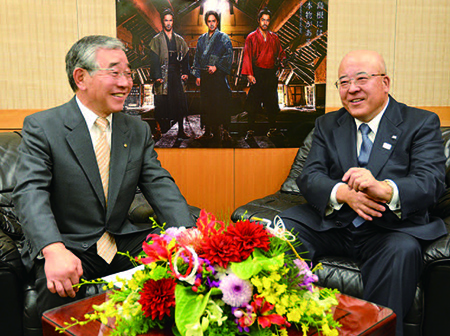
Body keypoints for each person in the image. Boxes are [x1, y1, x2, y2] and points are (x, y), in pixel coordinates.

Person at [12, 35, 194, 321]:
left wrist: (185, 231)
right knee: (56, 295)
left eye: (128, 73)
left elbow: (158, 183)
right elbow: (29, 192)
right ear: (81, 77)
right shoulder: (43, 127)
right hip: (68, 243)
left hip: (119, 239)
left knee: (185, 263)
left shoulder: (136, 130)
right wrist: (52, 249)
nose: (125, 82)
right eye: (114, 72)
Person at [279, 50, 447, 336]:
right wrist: (343, 193)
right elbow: (310, 177)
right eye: (343, 82)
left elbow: (431, 182)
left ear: (385, 83)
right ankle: (281, 325)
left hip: (389, 230)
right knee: (282, 233)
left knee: (402, 251)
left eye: (361, 79)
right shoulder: (327, 124)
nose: (352, 89)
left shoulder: (420, 123)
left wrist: (385, 189)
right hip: (335, 224)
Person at [242, 8, 285, 140]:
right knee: (253, 104)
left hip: (270, 74)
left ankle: (272, 129)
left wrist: (282, 62)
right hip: (257, 73)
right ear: (258, 20)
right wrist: (249, 74)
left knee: (272, 102)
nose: (265, 23)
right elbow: (247, 56)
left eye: (267, 20)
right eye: (263, 20)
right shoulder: (251, 37)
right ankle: (250, 131)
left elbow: (281, 53)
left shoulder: (274, 37)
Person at [192, 10, 233, 143]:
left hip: (218, 78)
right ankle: (207, 131)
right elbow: (197, 57)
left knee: (220, 103)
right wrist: (198, 75)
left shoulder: (224, 38)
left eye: (213, 21)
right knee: (206, 104)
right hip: (205, 77)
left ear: (217, 22)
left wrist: (216, 67)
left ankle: (224, 131)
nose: (211, 24)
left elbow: (228, 55)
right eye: (209, 21)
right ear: (206, 22)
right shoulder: (201, 39)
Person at [149, 9, 190, 140]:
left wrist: (185, 73)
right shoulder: (156, 40)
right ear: (163, 21)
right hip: (162, 74)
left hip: (176, 74)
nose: (168, 23)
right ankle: (158, 130)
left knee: (180, 103)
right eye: (166, 20)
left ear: (173, 22)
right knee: (160, 103)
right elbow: (154, 60)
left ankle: (181, 131)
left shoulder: (179, 40)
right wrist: (157, 76)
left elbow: (185, 57)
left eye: (170, 20)